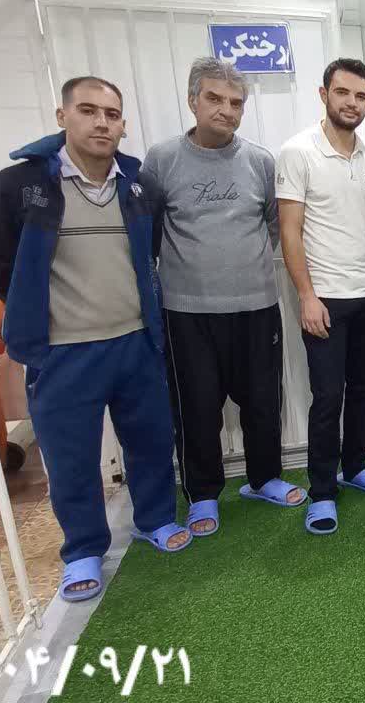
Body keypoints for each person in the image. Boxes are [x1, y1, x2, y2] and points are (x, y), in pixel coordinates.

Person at [0, 76, 189, 603]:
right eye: (88, 111)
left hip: (136, 340)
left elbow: (149, 253)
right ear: (62, 116)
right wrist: (35, 309)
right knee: (71, 457)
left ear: (123, 124)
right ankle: (84, 550)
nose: (101, 123)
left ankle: (155, 519)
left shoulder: (138, 186)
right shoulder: (17, 187)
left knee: (151, 442)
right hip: (62, 349)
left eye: (112, 114)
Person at [141, 57, 295, 538]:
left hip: (257, 306)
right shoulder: (161, 160)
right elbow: (148, 231)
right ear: (193, 101)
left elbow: (272, 224)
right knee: (197, 406)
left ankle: (264, 478)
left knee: (263, 401)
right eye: (214, 98)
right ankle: (204, 493)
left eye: (236, 102)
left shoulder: (260, 162)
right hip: (187, 312)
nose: (226, 110)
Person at [277, 58, 365, 534]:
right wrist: (306, 295)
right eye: (343, 92)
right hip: (324, 298)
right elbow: (289, 230)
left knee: (362, 390)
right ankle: (322, 491)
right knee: (327, 397)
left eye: (361, 96)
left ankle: (355, 466)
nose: (352, 103)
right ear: (324, 94)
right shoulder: (297, 152)